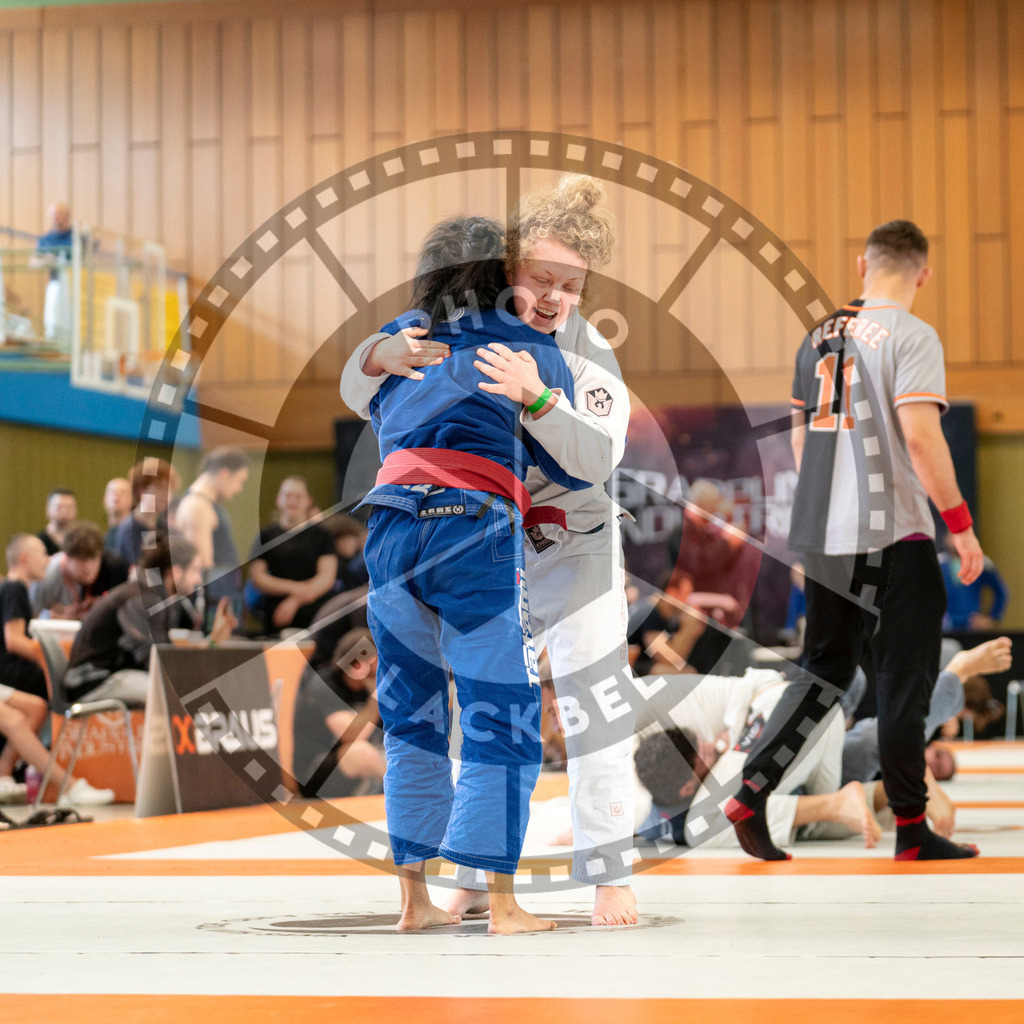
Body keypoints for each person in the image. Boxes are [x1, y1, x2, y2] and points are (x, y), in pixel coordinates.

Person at [341, 175, 640, 927]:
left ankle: (608, 873)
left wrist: (536, 397)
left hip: (558, 541)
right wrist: (382, 349)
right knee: (496, 712)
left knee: (584, 702)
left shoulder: (583, 348)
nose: (552, 296)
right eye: (538, 278)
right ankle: (488, 889)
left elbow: (596, 461)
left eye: (569, 285)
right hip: (485, 535)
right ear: (504, 271)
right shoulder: (449, 331)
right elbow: (358, 379)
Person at [726, 220, 985, 862]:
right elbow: (922, 439)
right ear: (923, 273)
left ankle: (752, 791)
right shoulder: (912, 334)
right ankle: (913, 831)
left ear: (862, 263)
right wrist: (961, 526)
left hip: (822, 534)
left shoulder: (817, 337)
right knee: (903, 681)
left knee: (825, 671)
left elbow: (797, 444)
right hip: (892, 532)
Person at [65, 536, 237, 705]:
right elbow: (155, 661)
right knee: (177, 692)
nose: (199, 580)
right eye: (195, 570)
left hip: (112, 675)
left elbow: (164, 656)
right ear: (176, 571)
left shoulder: (153, 597)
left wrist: (212, 642)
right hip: (92, 682)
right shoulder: (142, 599)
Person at [292, 626, 384, 799]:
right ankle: (405, 799)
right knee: (362, 753)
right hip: (316, 772)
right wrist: (376, 699)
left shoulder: (368, 684)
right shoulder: (324, 685)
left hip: (361, 763)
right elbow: (351, 735)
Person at [247, 476, 337, 634]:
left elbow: (327, 578)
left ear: (308, 501)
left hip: (315, 615)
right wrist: (296, 588)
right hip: (275, 615)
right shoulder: (265, 536)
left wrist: (295, 601)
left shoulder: (322, 535)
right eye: (288, 496)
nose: (292, 501)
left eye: (298, 496)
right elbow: (258, 578)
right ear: (278, 500)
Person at [174, 446, 249, 620]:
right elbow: (202, 568)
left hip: (221, 596)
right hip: (214, 601)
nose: (239, 488)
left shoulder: (207, 504)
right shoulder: (197, 506)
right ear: (224, 473)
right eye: (239, 481)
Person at [30, 521, 128, 619]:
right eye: (81, 560)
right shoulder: (45, 577)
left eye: (93, 559)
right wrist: (47, 618)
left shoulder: (114, 568)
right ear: (67, 556)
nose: (88, 567)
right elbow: (32, 620)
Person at [0, 535, 51, 702]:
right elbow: (14, 641)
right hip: (9, 670)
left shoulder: (11, 588)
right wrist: (52, 659)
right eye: (43, 554)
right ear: (24, 558)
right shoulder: (15, 588)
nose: (47, 560)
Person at [114, 458, 181, 567]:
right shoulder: (130, 528)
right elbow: (146, 572)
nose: (166, 495)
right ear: (142, 490)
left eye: (169, 489)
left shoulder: (162, 526)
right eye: (160, 488)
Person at [939, 532, 1009, 631]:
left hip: (972, 624)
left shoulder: (981, 563)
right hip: (945, 624)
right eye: (952, 534)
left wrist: (993, 617)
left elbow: (1000, 591)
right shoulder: (938, 563)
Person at [30, 201, 74, 343]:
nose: (56, 219)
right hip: (56, 282)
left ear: (66, 216)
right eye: (53, 216)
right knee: (53, 319)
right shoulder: (46, 240)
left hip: (76, 284)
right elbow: (33, 262)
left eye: (59, 215)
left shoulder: (76, 237)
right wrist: (47, 260)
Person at [37, 488, 77, 556]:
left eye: (69, 507)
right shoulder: (39, 542)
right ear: (48, 510)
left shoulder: (80, 542)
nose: (64, 511)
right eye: (59, 507)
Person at [102, 477, 132, 554]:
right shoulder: (103, 539)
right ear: (105, 499)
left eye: (122, 492)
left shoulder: (136, 534)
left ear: (131, 499)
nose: (116, 497)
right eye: (112, 492)